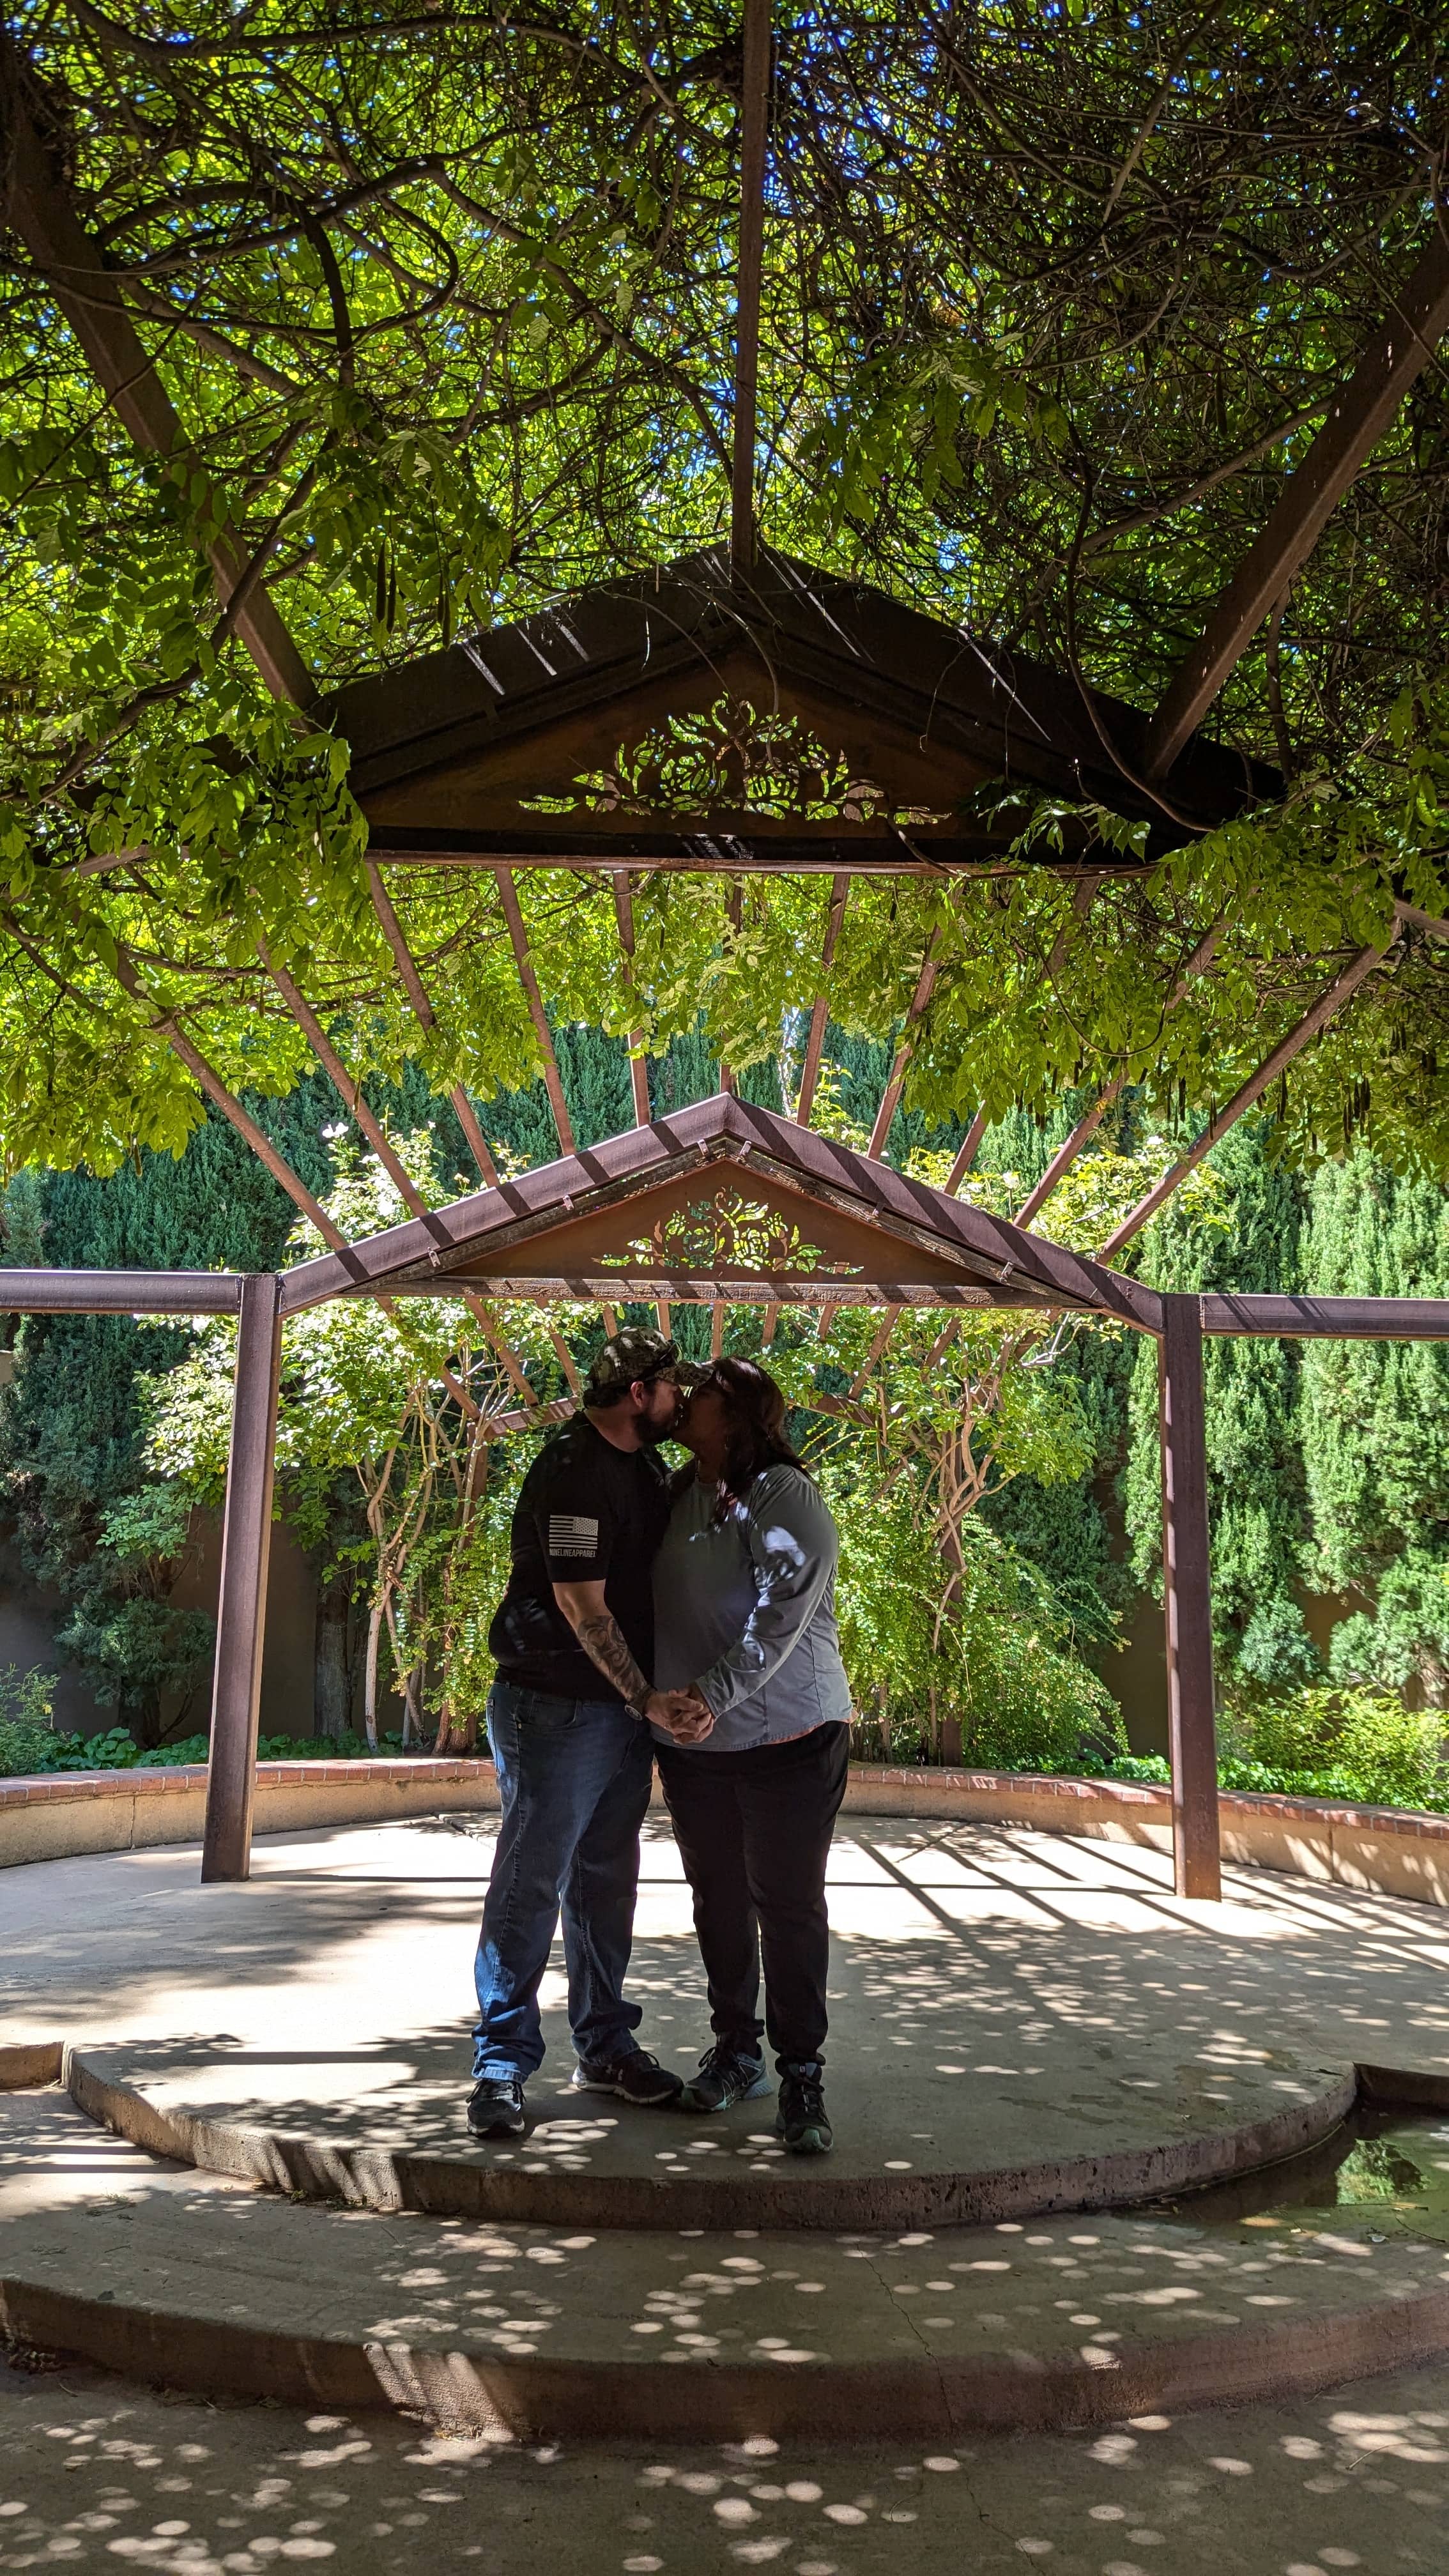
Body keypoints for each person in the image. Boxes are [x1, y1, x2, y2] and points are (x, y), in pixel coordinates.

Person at [468, 1327, 710, 2139]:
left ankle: (605, 2046)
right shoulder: (576, 1473)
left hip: (614, 1713)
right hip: (557, 1710)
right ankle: (501, 2065)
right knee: (532, 1882)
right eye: (673, 1388)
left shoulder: (636, 1465)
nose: (679, 1401)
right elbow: (583, 1608)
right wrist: (646, 1698)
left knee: (606, 1881)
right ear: (638, 1393)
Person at [650, 1355, 852, 2156]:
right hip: (697, 1749)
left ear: (731, 1415)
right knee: (718, 1902)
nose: (681, 1398)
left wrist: (708, 1696)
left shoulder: (783, 1495)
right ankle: (738, 2052)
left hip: (789, 1741)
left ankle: (802, 2071)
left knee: (789, 1908)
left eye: (696, 1391)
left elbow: (781, 1615)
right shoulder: (676, 1493)